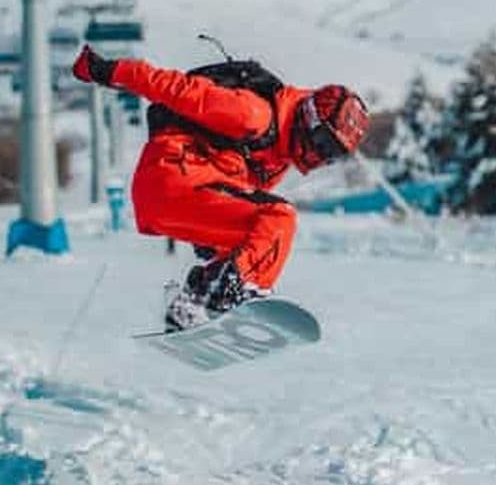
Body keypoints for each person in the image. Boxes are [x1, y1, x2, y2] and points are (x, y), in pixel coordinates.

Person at [72, 45, 369, 330]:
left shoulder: (278, 157)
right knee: (279, 217)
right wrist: (105, 70)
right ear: (309, 119)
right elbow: (173, 87)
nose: (320, 157)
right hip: (172, 174)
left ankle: (191, 304)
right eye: (323, 144)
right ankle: (230, 293)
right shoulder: (253, 114)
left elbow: (237, 197)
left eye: (332, 156)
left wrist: (212, 242)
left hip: (180, 190)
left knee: (256, 236)